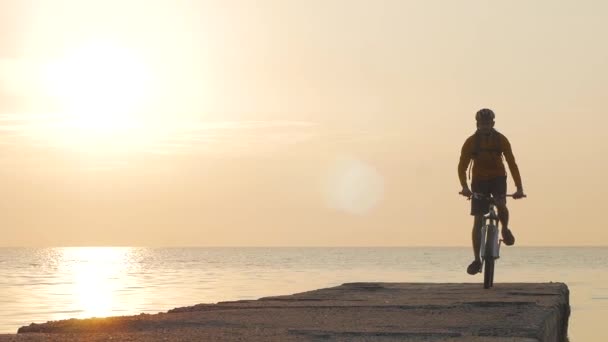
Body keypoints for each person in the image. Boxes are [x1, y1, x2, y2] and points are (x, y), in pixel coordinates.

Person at [458, 108, 526, 275]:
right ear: (477, 124)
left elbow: (512, 163)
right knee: (478, 219)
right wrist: (464, 187)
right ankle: (476, 259)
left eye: (488, 123)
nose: (485, 127)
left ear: (493, 123)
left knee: (501, 204)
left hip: (498, 179)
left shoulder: (501, 140)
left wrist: (519, 188)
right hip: (478, 181)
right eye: (482, 124)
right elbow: (462, 166)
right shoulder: (470, 142)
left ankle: (505, 228)